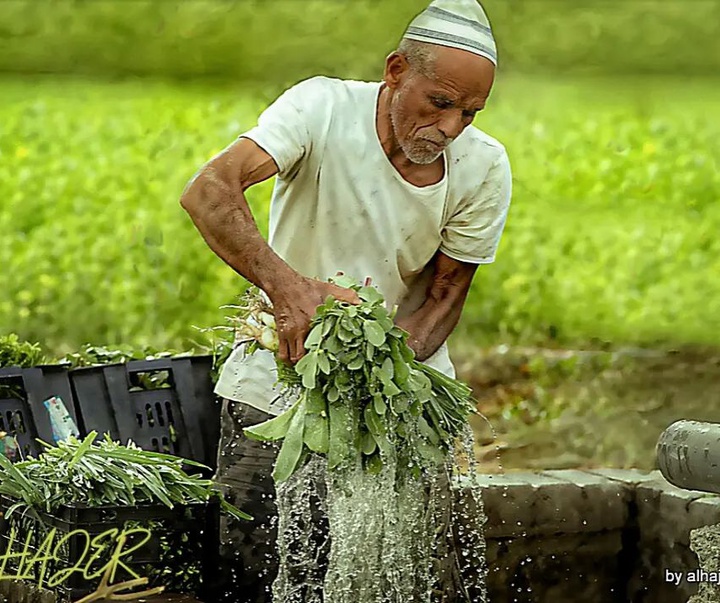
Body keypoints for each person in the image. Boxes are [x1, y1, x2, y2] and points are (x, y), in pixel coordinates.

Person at [180, 0, 512, 600]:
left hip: (401, 397)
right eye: (439, 103)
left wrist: (377, 369)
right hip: (275, 379)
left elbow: (443, 300)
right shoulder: (322, 109)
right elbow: (209, 191)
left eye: (470, 111)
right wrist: (290, 292)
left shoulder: (483, 166)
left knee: (398, 577)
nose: (452, 127)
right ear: (395, 72)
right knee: (252, 566)